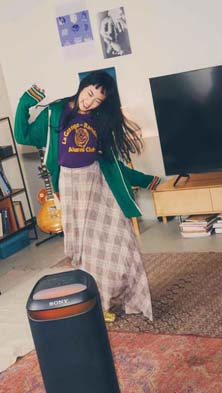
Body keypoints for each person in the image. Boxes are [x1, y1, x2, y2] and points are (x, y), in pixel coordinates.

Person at [15, 71, 161, 323]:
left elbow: (113, 166)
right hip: (71, 188)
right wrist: (25, 101)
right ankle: (97, 304)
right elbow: (23, 135)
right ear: (82, 86)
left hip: (99, 186)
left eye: (97, 100)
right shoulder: (55, 113)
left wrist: (146, 180)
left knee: (123, 242)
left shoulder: (100, 120)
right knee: (88, 252)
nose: (90, 102)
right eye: (89, 93)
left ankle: (133, 300)